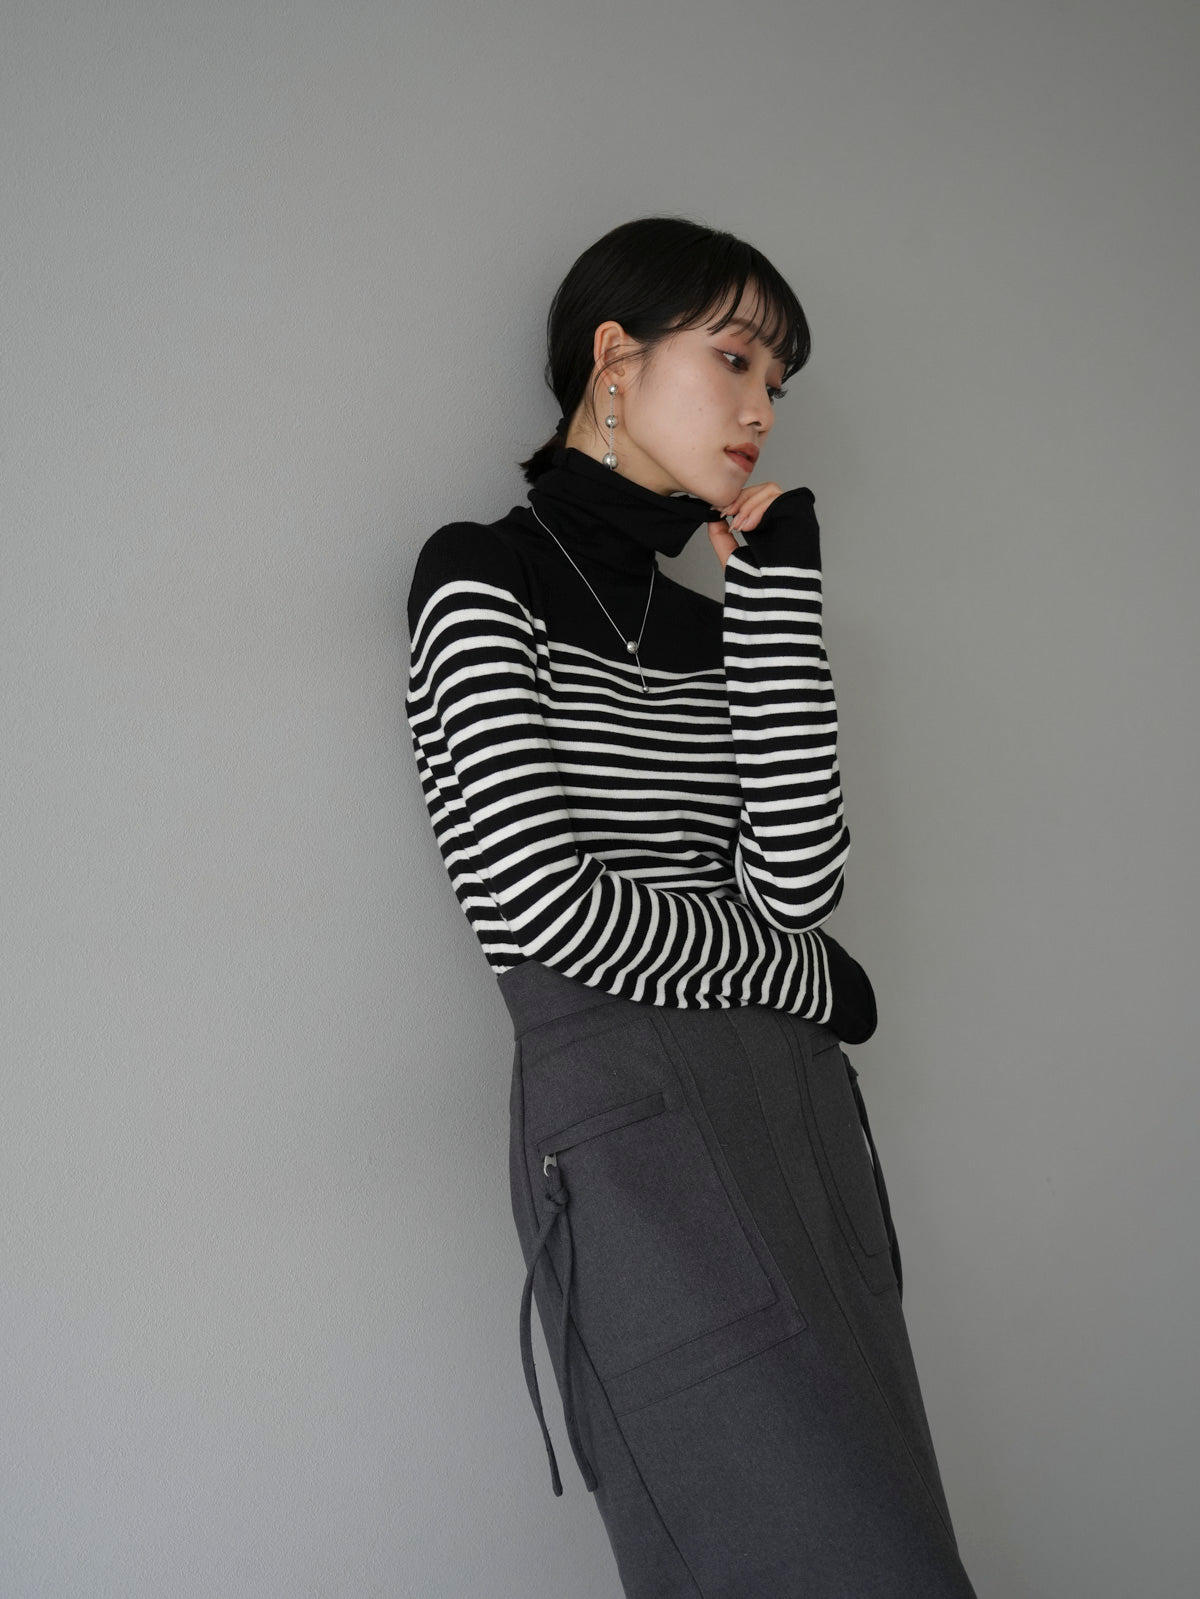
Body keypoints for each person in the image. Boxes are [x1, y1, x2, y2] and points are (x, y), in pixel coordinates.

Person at [404, 216, 978, 1597]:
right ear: (615, 358)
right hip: (626, 1126)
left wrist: (778, 602)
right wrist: (803, 977)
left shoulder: (718, 627)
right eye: (733, 359)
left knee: (897, 1549)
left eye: (777, 381)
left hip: (791, 1107)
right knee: (777, 1550)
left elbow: (798, 884)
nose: (761, 407)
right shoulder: (478, 575)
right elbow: (544, 909)